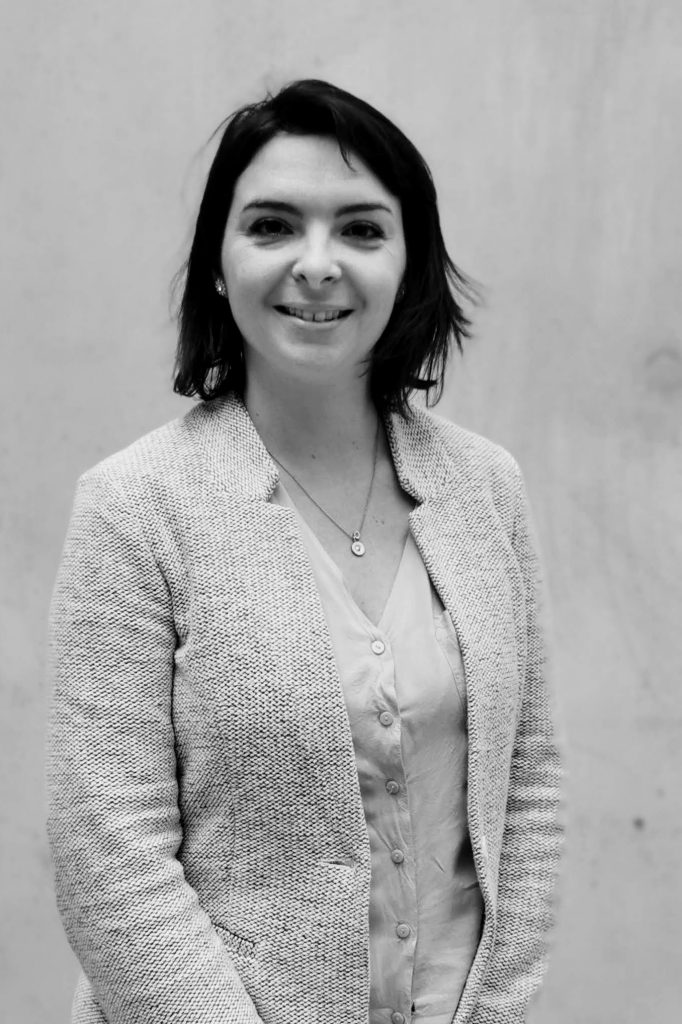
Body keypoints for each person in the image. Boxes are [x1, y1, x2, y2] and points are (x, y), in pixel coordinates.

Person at [46, 79, 564, 1024]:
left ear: (409, 263)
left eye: (361, 230)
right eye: (273, 226)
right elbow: (108, 855)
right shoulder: (135, 506)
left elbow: (528, 787)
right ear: (218, 263)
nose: (316, 265)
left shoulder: (487, 488)